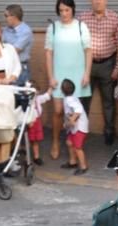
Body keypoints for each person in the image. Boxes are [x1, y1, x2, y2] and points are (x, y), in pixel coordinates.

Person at [45, 0, 91, 162]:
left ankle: (75, 145)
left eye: (67, 10)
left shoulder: (81, 27)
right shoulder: (53, 28)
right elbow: (49, 53)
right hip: (59, 75)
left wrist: (87, 73)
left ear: (73, 10)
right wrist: (51, 76)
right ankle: (56, 142)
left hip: (78, 75)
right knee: (58, 111)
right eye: (61, 10)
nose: (64, 13)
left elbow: (88, 51)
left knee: (76, 111)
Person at [77, 0, 118, 146]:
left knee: (108, 101)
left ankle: (109, 131)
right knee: (84, 100)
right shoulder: (82, 18)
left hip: (107, 64)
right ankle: (80, 132)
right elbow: (77, 43)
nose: (98, 2)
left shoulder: (114, 18)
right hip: (87, 66)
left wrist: (117, 67)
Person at [61, 78, 88, 175]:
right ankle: (73, 162)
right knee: (69, 142)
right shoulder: (70, 98)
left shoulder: (70, 100)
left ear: (62, 90)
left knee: (78, 147)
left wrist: (72, 120)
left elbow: (79, 109)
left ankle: (83, 166)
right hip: (74, 128)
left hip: (79, 128)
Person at [1, 4, 32, 86]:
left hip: (20, 68)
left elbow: (14, 51)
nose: (5, 18)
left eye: (6, 16)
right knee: (2, 93)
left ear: (14, 16)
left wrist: (1, 48)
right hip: (4, 66)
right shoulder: (6, 30)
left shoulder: (25, 31)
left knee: (17, 95)